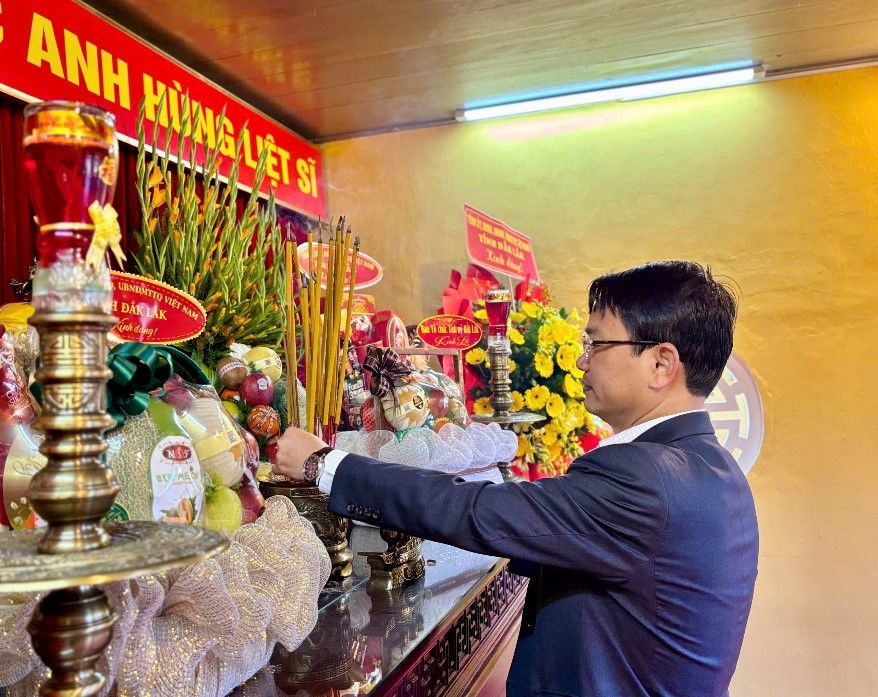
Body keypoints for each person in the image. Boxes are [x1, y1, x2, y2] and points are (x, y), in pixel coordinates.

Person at [273, 260, 759, 697]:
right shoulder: (716, 470)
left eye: (597, 343)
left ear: (661, 364)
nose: (582, 359)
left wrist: (326, 464)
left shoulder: (647, 478)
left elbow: (481, 512)